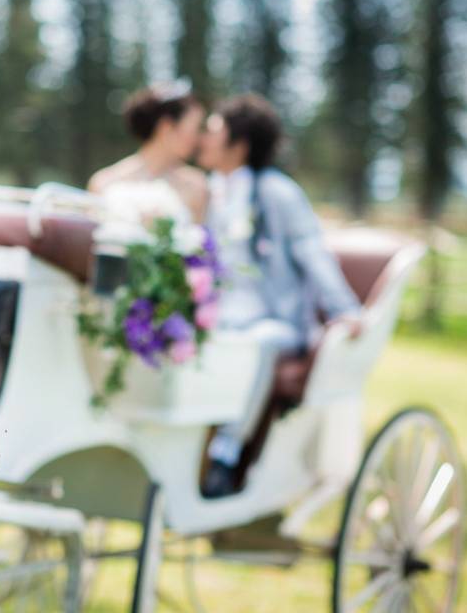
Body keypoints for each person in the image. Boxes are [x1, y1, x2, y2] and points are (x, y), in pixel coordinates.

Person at [196, 94, 362, 499]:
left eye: (214, 132)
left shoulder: (276, 193)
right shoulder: (210, 192)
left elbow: (312, 252)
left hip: (275, 322)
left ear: (239, 145)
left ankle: (226, 456)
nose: (204, 139)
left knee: (254, 346)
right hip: (220, 318)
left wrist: (344, 310)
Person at [88, 81, 209, 224]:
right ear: (166, 127)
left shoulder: (197, 185)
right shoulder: (103, 182)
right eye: (196, 127)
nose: (200, 138)